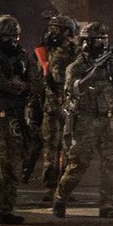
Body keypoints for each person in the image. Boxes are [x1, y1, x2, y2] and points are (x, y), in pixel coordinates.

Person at [53, 22, 113, 218]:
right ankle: (60, 197)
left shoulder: (112, 64)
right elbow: (72, 89)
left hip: (109, 120)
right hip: (85, 120)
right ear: (85, 43)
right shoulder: (75, 67)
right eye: (96, 41)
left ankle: (107, 204)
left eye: (103, 40)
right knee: (78, 164)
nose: (100, 44)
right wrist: (91, 76)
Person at [0, 15, 44, 224]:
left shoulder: (23, 58)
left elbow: (38, 83)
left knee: (13, 164)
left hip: (16, 118)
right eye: (6, 37)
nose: (11, 41)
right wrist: (0, 86)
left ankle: (7, 208)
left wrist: (25, 87)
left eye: (14, 37)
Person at [33, 13, 79, 201]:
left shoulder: (77, 54)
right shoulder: (46, 52)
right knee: (51, 145)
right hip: (51, 106)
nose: (52, 33)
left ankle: (65, 185)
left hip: (71, 105)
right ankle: (51, 185)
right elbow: (38, 79)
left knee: (69, 147)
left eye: (56, 29)